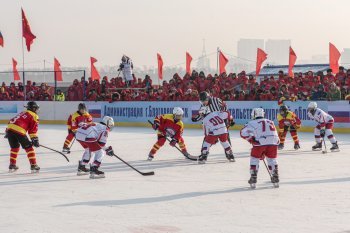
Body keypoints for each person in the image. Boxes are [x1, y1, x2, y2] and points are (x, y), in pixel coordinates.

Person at [240, 108, 280, 188]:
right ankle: (275, 175)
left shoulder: (251, 122)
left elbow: (242, 133)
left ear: (254, 114)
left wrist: (251, 139)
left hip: (260, 142)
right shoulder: (270, 121)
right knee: (272, 159)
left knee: (254, 158)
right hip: (274, 141)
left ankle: (253, 177)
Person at [6, 101, 41, 173]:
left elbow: (12, 121)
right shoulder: (34, 115)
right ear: (33, 108)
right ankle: (33, 165)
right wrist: (34, 139)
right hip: (19, 130)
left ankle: (12, 164)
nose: (37, 110)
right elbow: (32, 130)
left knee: (14, 148)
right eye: (36, 108)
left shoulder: (23, 112)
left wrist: (7, 131)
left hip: (10, 129)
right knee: (29, 148)